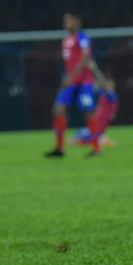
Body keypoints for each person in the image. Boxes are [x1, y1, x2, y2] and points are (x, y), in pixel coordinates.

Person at [45, 12, 95, 157]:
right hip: (71, 81)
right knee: (58, 110)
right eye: (65, 20)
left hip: (84, 81)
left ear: (77, 22)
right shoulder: (66, 40)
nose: (66, 23)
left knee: (88, 112)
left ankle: (96, 149)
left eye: (69, 21)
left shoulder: (83, 37)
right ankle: (60, 149)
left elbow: (86, 59)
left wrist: (70, 76)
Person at [75, 60, 118, 155]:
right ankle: (100, 139)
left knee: (77, 140)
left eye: (110, 84)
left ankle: (102, 140)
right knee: (76, 136)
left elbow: (102, 81)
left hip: (100, 126)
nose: (107, 85)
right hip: (95, 124)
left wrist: (94, 68)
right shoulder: (104, 95)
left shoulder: (112, 96)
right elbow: (96, 84)